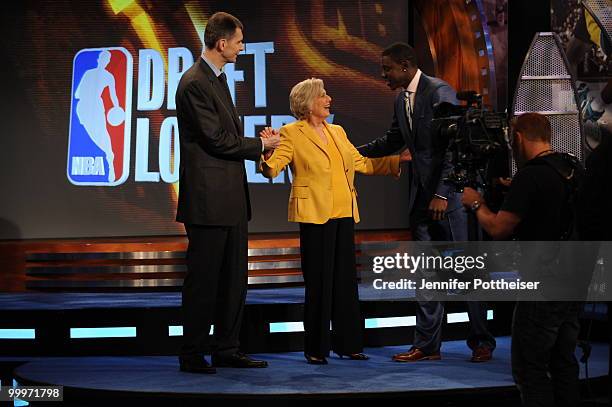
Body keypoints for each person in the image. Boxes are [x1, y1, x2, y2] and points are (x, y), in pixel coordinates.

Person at [358, 42, 495, 363]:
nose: (383, 75)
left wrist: (443, 194)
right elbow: (393, 140)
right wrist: (351, 152)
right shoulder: (400, 100)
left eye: (387, 68)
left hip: (448, 200)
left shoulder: (439, 92)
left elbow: (454, 147)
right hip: (422, 200)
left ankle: (481, 341)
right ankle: (428, 345)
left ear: (405, 66)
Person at [259, 78, 409, 364]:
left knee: (345, 282)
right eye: (323, 95)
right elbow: (272, 169)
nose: (329, 99)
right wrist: (267, 151)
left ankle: (348, 344)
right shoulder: (291, 133)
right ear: (308, 103)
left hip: (343, 212)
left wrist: (396, 161)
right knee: (319, 284)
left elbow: (361, 163)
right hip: (315, 215)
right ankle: (316, 348)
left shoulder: (338, 131)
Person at [175, 11, 279, 374]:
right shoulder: (194, 83)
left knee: (234, 279)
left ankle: (227, 348)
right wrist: (260, 147)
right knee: (204, 281)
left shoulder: (216, 79)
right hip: (208, 201)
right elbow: (216, 140)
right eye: (237, 42)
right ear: (221, 43)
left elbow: (225, 138)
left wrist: (255, 145)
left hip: (231, 199)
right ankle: (192, 353)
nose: (241, 47)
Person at [461, 113, 584, 406]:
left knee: (530, 369)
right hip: (576, 278)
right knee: (563, 363)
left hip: (543, 284)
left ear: (517, 137)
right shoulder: (573, 167)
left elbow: (498, 228)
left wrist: (475, 203)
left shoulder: (530, 176)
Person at [74, 50, 122, 183]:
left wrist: (117, 107)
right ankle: (108, 155)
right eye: (102, 58)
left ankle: (110, 159)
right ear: (99, 59)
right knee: (92, 135)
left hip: (96, 107)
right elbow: (77, 94)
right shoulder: (89, 73)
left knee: (102, 134)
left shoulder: (108, 77)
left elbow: (114, 95)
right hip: (83, 108)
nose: (103, 61)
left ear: (107, 62)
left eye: (106, 59)